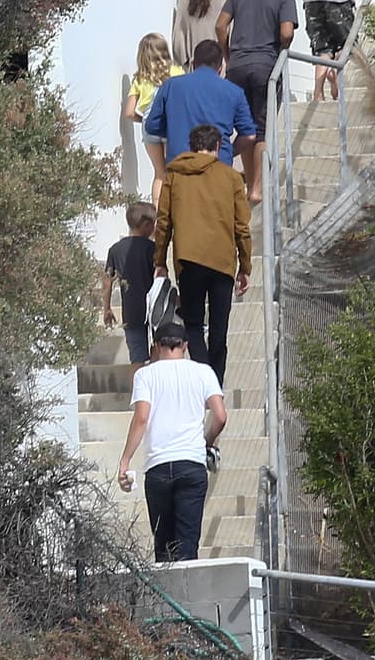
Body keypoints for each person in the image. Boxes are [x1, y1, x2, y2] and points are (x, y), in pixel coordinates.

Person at [117, 321, 227, 562]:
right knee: (187, 547)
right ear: (185, 346)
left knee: (164, 548)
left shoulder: (145, 375)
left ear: (157, 346)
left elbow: (141, 418)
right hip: (191, 464)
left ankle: (165, 587)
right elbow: (220, 416)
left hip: (158, 466)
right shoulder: (203, 372)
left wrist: (125, 460)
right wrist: (206, 442)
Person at [153, 124, 252, 388]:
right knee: (219, 330)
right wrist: (245, 265)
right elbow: (241, 226)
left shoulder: (174, 174)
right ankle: (214, 385)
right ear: (218, 146)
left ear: (192, 146)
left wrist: (160, 261)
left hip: (188, 260)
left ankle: (202, 382)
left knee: (194, 326)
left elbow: (163, 222)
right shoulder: (231, 177)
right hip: (222, 262)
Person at [216, 0, 299, 203]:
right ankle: (257, 190)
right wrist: (281, 52)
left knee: (245, 127)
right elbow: (286, 33)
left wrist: (228, 55)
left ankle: (249, 184)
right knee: (262, 130)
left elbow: (220, 26)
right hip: (266, 67)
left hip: (237, 67)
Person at [144, 39, 256, 166]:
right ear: (221, 68)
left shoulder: (170, 85)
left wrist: (175, 132)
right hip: (218, 166)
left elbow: (151, 126)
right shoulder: (235, 92)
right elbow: (249, 136)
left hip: (180, 166)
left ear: (193, 64)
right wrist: (228, 152)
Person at [125, 33, 183, 207]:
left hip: (149, 127)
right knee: (175, 169)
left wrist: (145, 119)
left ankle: (156, 212)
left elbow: (129, 112)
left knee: (159, 172)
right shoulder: (176, 72)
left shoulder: (139, 79)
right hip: (170, 124)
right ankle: (175, 208)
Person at [102, 202, 158, 370]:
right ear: (146, 225)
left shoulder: (115, 250)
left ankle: (138, 387)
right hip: (154, 308)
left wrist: (107, 308)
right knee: (159, 350)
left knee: (137, 358)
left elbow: (107, 281)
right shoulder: (153, 248)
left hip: (131, 311)